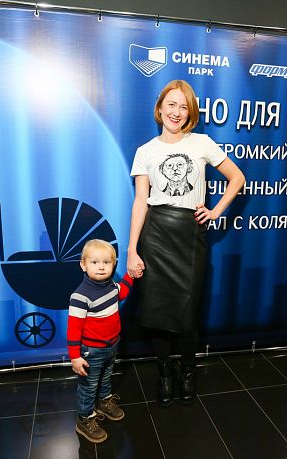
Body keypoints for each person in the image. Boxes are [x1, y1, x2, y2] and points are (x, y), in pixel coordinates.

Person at [126, 80, 245, 406]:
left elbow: (237, 178)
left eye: (183, 106)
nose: (176, 112)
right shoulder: (145, 151)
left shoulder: (201, 143)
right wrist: (132, 250)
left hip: (190, 236)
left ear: (190, 112)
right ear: (160, 108)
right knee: (157, 314)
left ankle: (188, 371)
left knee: (188, 315)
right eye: (171, 104)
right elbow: (140, 202)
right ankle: (165, 372)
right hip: (155, 236)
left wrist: (216, 211)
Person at [67, 239, 134, 443]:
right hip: (91, 351)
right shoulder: (80, 296)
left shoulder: (112, 286)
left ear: (113, 265)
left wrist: (131, 275)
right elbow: (73, 329)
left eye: (107, 262)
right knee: (88, 386)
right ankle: (85, 418)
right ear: (83, 265)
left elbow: (123, 291)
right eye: (95, 262)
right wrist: (75, 357)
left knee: (105, 378)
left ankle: (104, 402)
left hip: (112, 345)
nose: (101, 267)